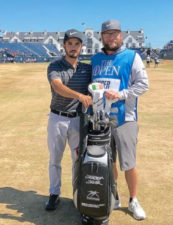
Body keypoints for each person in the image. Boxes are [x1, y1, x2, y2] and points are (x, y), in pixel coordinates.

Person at [91, 20, 149, 220]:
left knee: (129, 163)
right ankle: (114, 196)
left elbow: (143, 85)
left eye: (115, 33)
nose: (111, 37)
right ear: (102, 36)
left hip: (125, 119)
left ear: (121, 36)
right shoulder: (95, 59)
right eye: (107, 34)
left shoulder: (132, 57)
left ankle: (133, 200)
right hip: (101, 121)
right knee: (107, 162)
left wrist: (122, 94)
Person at [45, 29, 92, 211]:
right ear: (64, 45)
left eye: (77, 44)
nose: (73, 47)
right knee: (55, 159)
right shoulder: (55, 66)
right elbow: (57, 87)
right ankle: (54, 193)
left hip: (78, 120)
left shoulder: (87, 68)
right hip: (57, 117)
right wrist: (80, 96)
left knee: (77, 160)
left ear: (81, 47)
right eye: (70, 44)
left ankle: (76, 193)